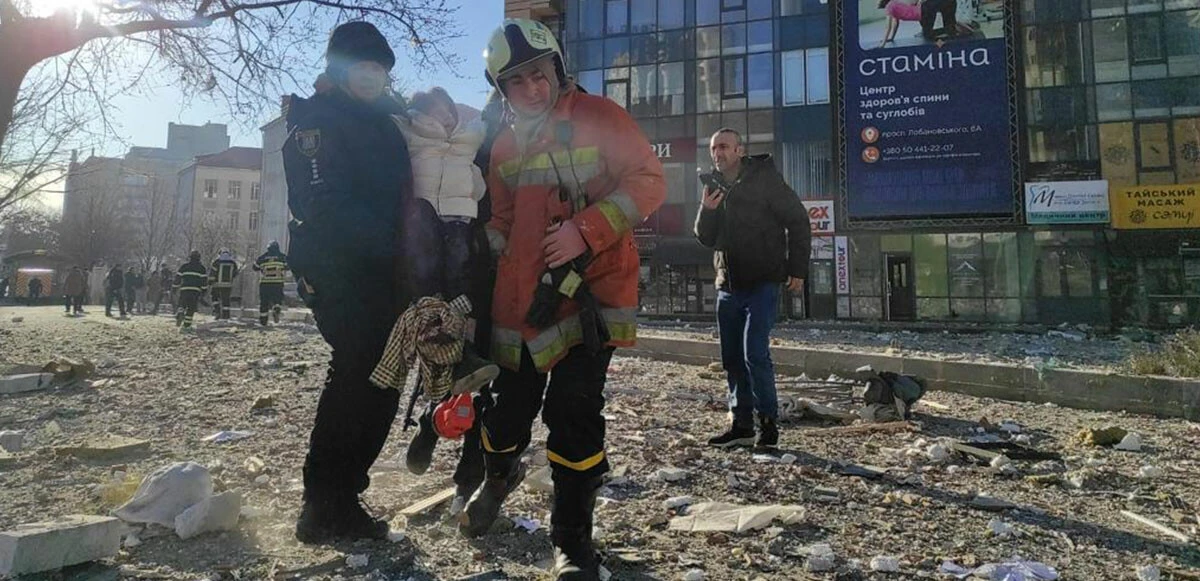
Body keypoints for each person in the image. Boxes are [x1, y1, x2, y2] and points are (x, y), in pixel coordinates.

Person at [460, 19, 665, 580]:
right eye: (516, 82)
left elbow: (649, 181)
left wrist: (587, 228)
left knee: (573, 414)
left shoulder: (601, 117)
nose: (531, 88)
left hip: (589, 297)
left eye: (538, 73)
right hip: (521, 304)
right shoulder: (502, 143)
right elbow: (502, 218)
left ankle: (572, 540)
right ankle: (497, 477)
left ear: (557, 67)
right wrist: (479, 247)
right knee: (506, 415)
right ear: (502, 92)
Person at [282, 20, 414, 544]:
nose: (372, 76)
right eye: (362, 66)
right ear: (340, 69)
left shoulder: (384, 121)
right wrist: (393, 241)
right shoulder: (317, 120)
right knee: (358, 367)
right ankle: (322, 501)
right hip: (338, 267)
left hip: (385, 269)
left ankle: (344, 495)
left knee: (383, 375)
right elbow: (321, 202)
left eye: (380, 68)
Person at [393, 85, 500, 477]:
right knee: (448, 347)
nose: (448, 120)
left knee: (485, 369)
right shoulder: (417, 140)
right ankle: (430, 424)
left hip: (481, 251)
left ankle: (470, 475)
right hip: (463, 253)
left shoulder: (478, 139)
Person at [694, 128, 811, 451]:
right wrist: (708, 210)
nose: (718, 153)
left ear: (740, 150)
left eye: (725, 147)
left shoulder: (765, 180)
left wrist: (797, 269)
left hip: (762, 282)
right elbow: (705, 237)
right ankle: (741, 424)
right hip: (727, 286)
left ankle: (768, 426)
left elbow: (799, 220)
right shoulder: (712, 186)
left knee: (754, 354)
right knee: (731, 358)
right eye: (714, 147)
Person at [252, 241, 289, 325]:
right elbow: (289, 266)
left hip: (265, 284)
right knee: (278, 299)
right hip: (277, 283)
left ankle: (263, 321)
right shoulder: (282, 257)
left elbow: (254, 267)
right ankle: (276, 308)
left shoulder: (262, 257)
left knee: (264, 302)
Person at [176, 251, 208, 330]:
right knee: (191, 309)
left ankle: (180, 312)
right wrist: (203, 292)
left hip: (184, 290)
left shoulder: (184, 266)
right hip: (195, 291)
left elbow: (177, 278)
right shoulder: (202, 268)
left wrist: (174, 288)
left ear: (190, 258)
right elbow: (204, 282)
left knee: (182, 304)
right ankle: (186, 326)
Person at [209, 249, 239, 320]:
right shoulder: (233, 263)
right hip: (228, 285)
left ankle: (217, 312)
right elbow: (235, 273)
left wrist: (210, 282)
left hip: (217, 285)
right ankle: (226, 316)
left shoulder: (216, 262)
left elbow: (212, 273)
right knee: (226, 300)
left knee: (214, 298)